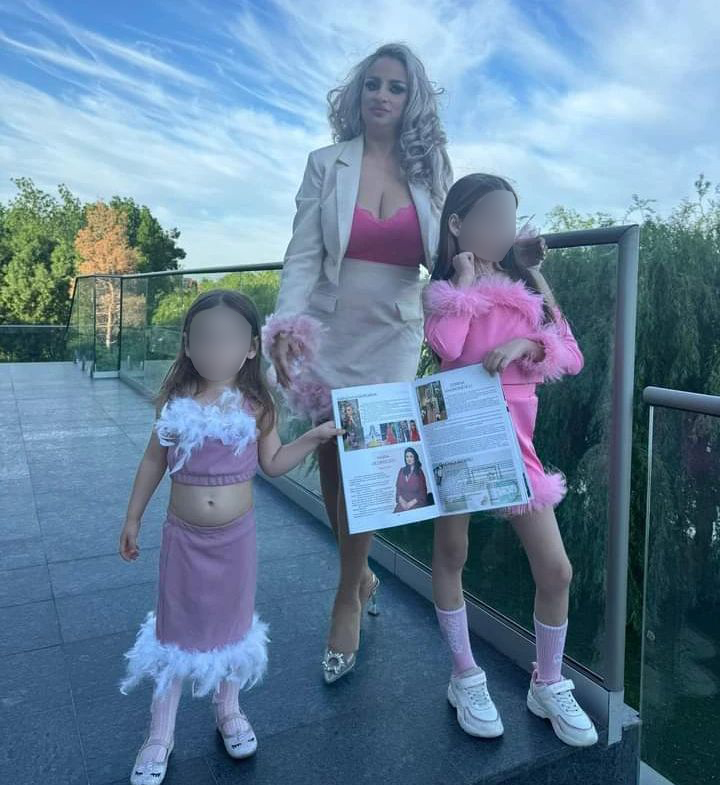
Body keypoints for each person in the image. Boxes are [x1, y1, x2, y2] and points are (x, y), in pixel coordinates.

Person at [263, 43, 545, 684]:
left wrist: (511, 248)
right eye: (373, 85)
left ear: (411, 98)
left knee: (369, 463)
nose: (382, 96)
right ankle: (359, 574)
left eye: (395, 87)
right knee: (334, 466)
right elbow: (303, 254)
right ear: (357, 95)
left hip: (392, 332)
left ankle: (343, 602)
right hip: (329, 331)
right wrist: (285, 325)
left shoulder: (429, 168)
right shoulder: (324, 163)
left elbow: (457, 241)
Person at [117, 289, 341, 785]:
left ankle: (229, 709)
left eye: (228, 339)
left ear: (250, 348)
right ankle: (160, 733)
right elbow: (154, 460)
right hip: (184, 538)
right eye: (205, 339)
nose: (216, 348)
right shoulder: (176, 405)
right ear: (188, 346)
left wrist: (314, 437)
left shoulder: (257, 406)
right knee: (174, 629)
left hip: (236, 541)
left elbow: (274, 463)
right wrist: (133, 516)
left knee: (233, 626)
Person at [422, 174, 598, 748]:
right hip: (460, 435)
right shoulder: (447, 289)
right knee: (452, 554)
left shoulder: (526, 290)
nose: (502, 230)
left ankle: (547, 681)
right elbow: (446, 346)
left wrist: (527, 341)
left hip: (516, 445)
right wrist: (466, 283)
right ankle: (465, 675)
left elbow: (569, 356)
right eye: (491, 218)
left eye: (509, 219)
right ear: (458, 224)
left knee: (557, 570)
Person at [394, 447, 429, 512]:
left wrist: (409, 504)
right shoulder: (401, 470)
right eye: (407, 457)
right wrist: (402, 502)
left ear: (415, 458)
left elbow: (423, 492)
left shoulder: (419, 472)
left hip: (416, 503)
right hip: (403, 503)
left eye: (411, 456)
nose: (409, 459)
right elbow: (398, 489)